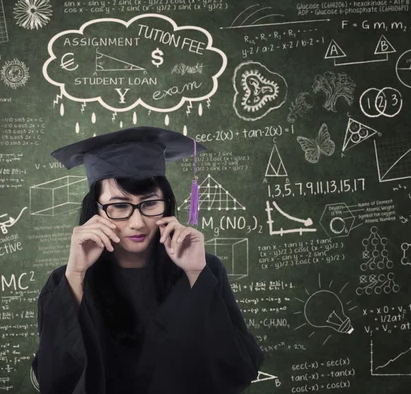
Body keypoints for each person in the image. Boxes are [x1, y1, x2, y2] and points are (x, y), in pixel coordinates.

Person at [31, 126, 265, 394]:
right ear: (95, 211)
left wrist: (195, 275)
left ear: (167, 203)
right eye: (119, 206)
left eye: (150, 203)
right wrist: (76, 274)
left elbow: (236, 369)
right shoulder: (66, 280)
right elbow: (53, 379)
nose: (137, 222)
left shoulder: (205, 269)